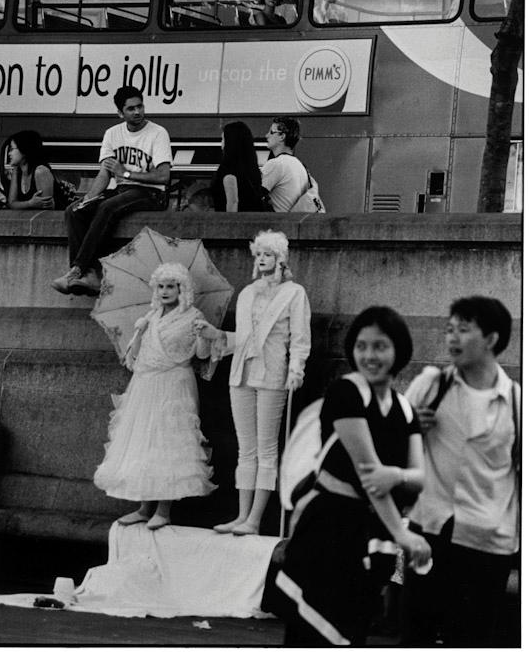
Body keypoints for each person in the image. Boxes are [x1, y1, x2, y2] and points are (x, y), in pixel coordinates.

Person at [270, 306, 431, 646]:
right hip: (329, 526)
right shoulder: (346, 391)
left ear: (398, 349)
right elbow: (369, 475)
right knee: (312, 634)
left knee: (353, 632)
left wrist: (397, 475)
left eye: (380, 346)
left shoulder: (404, 408)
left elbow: (420, 478)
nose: (369, 355)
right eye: (362, 346)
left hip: (371, 530)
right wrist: (403, 534)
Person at [401, 295, 520, 648]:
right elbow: (389, 452)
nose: (452, 338)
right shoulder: (431, 385)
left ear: (492, 339)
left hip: (488, 540)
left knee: (471, 638)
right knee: (416, 636)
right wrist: (410, 431)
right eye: (449, 329)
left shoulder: (516, 401)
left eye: (463, 330)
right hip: (430, 530)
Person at [194, 230, 311, 536]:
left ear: (280, 259)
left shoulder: (294, 293)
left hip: (272, 373)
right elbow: (243, 340)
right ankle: (242, 515)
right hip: (242, 373)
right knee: (246, 449)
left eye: (268, 255)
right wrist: (214, 334)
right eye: (258, 254)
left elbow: (299, 339)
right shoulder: (247, 293)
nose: (261, 260)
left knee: (266, 449)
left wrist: (296, 369)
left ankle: (255, 520)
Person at [93, 262, 217, 530]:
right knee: (144, 440)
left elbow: (202, 356)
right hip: (146, 382)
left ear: (181, 289)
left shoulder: (193, 316)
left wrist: (202, 335)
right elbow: (134, 357)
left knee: (168, 442)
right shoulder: (151, 316)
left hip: (174, 382)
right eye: (160, 286)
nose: (164, 291)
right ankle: (144, 507)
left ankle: (164, 509)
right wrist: (138, 331)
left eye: (170, 286)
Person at [52, 86, 172, 297]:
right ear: (120, 113)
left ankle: (77, 270)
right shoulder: (112, 134)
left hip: (151, 193)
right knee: (74, 210)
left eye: (140, 106)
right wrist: (87, 199)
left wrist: (125, 173)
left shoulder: (158, 133)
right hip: (122, 191)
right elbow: (104, 175)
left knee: (108, 207)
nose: (137, 112)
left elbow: (163, 176)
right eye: (131, 108)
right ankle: (89, 275)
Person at [211, 121, 264, 212]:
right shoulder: (252, 171)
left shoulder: (228, 171)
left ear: (230, 143)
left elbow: (233, 202)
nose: (221, 144)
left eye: (223, 139)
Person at [260, 117, 310, 212]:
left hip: (277, 223)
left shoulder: (276, 164)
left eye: (271, 132)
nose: (266, 135)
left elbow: (253, 196)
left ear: (282, 136)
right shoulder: (300, 166)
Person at [3, 130, 55, 210]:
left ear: (24, 150)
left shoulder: (41, 171)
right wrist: (30, 203)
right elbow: (12, 203)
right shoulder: (17, 170)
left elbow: (47, 208)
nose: (9, 153)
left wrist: (23, 205)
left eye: (12, 149)